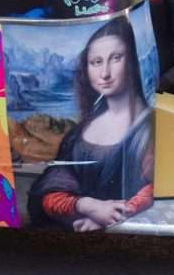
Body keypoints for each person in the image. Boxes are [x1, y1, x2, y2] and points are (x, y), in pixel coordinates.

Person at [28, 16, 153, 231]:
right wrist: (86, 206)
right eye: (96, 62)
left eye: (116, 58)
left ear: (133, 61)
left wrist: (112, 215)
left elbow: (156, 188)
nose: (105, 73)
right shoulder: (79, 133)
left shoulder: (148, 127)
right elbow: (48, 193)